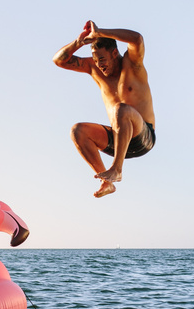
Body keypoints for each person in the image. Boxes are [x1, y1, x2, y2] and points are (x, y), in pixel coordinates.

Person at [53, 21, 156, 199]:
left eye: (102, 59)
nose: (99, 64)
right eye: (95, 60)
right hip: (118, 137)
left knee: (121, 109)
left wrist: (101, 32)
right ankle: (106, 182)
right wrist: (79, 42)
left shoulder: (132, 64)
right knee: (78, 131)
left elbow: (137, 39)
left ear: (114, 53)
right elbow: (59, 60)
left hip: (142, 136)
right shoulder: (94, 68)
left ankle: (117, 169)